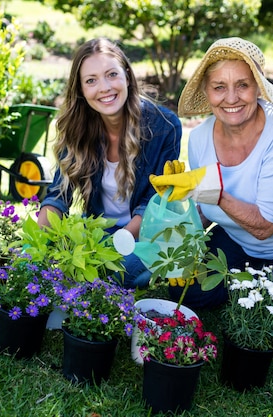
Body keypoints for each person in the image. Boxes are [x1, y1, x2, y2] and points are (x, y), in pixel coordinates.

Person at [150, 37, 273, 310]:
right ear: (207, 91)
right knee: (189, 294)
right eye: (219, 87)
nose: (231, 98)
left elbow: (266, 227)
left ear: (258, 88)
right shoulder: (201, 137)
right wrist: (176, 234)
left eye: (242, 85)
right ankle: (243, 286)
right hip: (234, 242)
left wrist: (213, 191)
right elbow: (203, 209)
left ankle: (252, 289)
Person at [37, 38, 182, 289]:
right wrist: (35, 246)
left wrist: (117, 244)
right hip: (98, 232)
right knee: (63, 259)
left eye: (111, 74)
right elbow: (58, 197)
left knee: (119, 269)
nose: (104, 87)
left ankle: (106, 279)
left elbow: (154, 203)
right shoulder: (75, 128)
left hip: (144, 236)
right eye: (91, 80)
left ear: (127, 75)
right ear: (81, 90)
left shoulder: (164, 126)